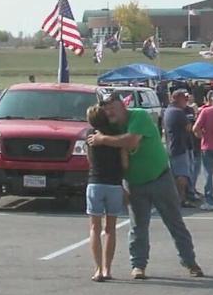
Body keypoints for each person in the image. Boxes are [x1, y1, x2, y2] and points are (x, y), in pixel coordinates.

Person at [88, 92, 204, 280]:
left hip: (160, 177)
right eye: (105, 109)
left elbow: (132, 140)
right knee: (138, 227)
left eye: (112, 107)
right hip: (134, 183)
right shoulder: (110, 127)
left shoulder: (138, 115)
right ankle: (138, 265)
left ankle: (190, 262)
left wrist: (103, 140)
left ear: (122, 105)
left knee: (174, 222)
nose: (109, 112)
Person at [85, 106, 128, 282]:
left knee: (95, 227)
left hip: (95, 182)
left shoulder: (89, 135)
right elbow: (125, 163)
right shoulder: (117, 135)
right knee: (110, 229)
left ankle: (97, 269)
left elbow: (89, 159)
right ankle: (107, 269)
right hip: (114, 184)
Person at [163, 90, 195, 207]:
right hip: (179, 147)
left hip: (173, 146)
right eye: (184, 99)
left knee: (177, 173)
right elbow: (188, 128)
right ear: (176, 98)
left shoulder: (168, 111)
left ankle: (180, 197)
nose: (186, 101)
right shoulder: (177, 112)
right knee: (182, 174)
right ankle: (181, 198)